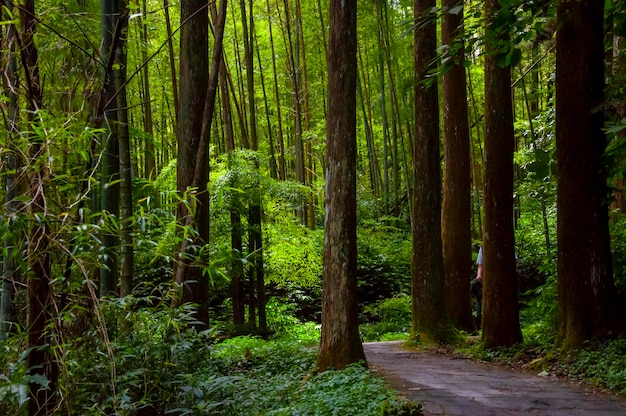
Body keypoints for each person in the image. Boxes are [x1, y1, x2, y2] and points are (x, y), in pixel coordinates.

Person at [470, 246, 483, 330]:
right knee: (480, 302)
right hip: (484, 281)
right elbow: (480, 264)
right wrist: (479, 275)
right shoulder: (483, 248)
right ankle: (478, 325)